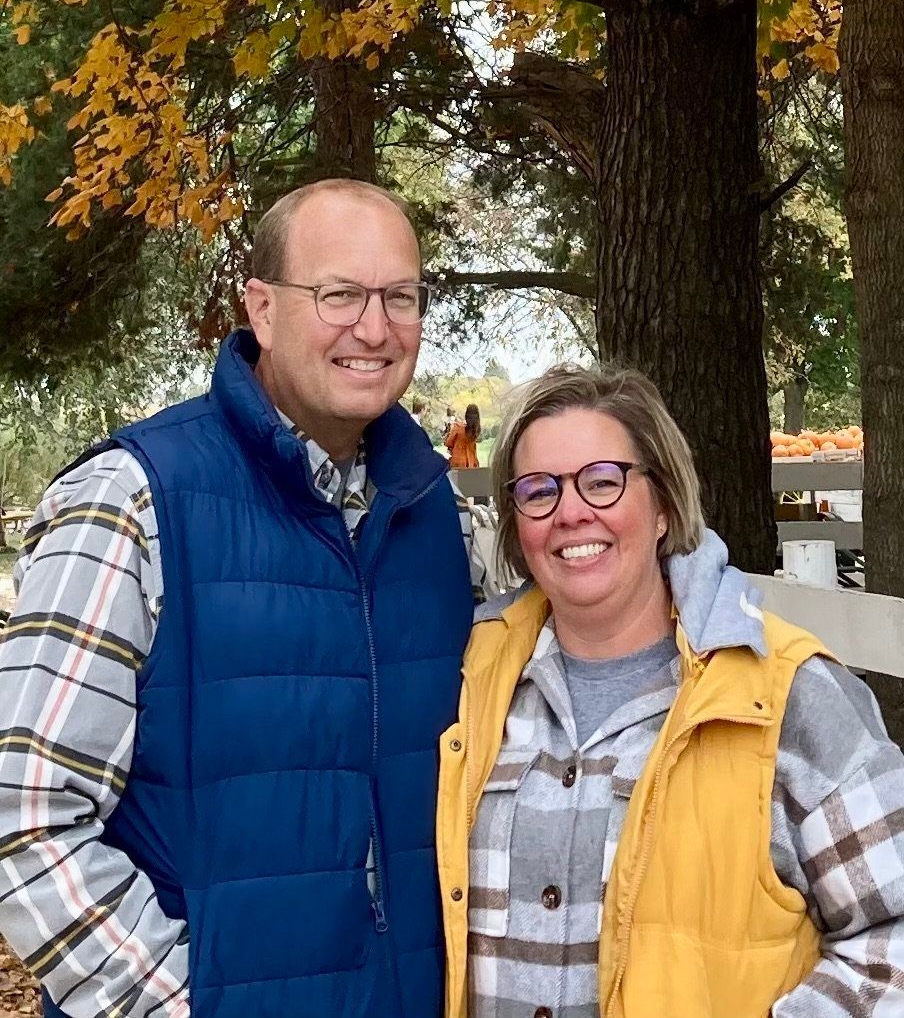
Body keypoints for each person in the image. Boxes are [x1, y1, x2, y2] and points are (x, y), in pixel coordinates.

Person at [0, 179, 475, 1018]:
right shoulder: (132, 500)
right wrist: (184, 1004)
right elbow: (26, 811)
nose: (375, 327)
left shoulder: (444, 523)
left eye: (401, 296)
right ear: (261, 307)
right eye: (339, 295)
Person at [437, 364, 904, 1017]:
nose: (571, 512)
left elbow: (891, 939)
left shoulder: (786, 695)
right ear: (517, 524)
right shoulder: (470, 685)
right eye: (539, 491)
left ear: (662, 505)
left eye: (602, 482)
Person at [445, 403, 480, 470]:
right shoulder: (476, 430)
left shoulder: (458, 427)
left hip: (458, 463)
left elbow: (449, 443)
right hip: (471, 463)